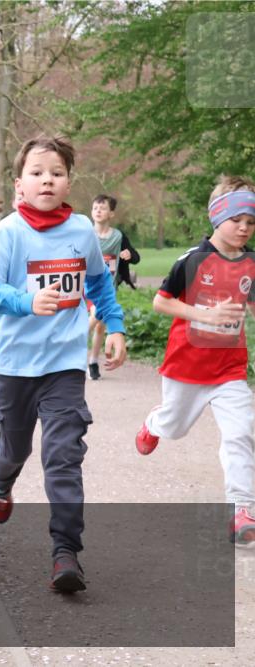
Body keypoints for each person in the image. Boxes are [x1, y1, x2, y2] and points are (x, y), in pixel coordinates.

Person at [0, 136, 126, 593]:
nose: (47, 179)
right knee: (15, 449)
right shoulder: (8, 232)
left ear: (68, 182)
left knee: (63, 458)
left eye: (57, 172)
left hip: (64, 365)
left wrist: (116, 327)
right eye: (38, 172)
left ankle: (66, 553)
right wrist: (27, 300)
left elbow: (100, 286)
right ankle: (0, 480)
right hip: (15, 365)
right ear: (19, 182)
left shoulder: (82, 230)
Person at [136, 175, 255, 546]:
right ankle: (154, 423)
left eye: (251, 222)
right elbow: (160, 301)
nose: (244, 227)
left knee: (241, 432)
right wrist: (205, 315)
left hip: (229, 369)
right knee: (174, 428)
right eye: (237, 219)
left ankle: (243, 509)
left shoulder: (251, 263)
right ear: (217, 217)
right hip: (186, 368)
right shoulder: (193, 259)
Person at [86, 194, 140, 379]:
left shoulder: (118, 236)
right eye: (95, 208)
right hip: (88, 287)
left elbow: (135, 256)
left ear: (111, 214)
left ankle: (93, 361)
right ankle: (72, 344)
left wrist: (128, 254)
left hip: (109, 288)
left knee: (101, 326)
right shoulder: (86, 233)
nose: (98, 211)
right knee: (95, 316)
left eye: (103, 208)